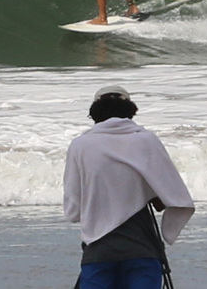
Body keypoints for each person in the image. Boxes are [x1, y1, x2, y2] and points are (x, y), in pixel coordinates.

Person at [63, 85, 194, 289]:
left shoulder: (80, 145)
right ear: (130, 111)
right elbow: (174, 196)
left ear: (95, 113)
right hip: (142, 248)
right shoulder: (146, 140)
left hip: (98, 251)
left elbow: (72, 211)